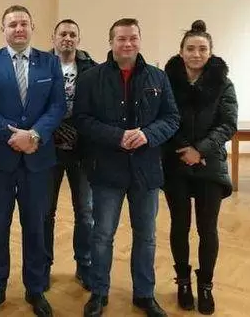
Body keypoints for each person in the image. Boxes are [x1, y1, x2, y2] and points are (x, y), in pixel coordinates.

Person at [74, 18, 180, 317]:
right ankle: (99, 292)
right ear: (111, 42)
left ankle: (144, 294)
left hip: (146, 171)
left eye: (133, 38)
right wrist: (117, 136)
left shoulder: (158, 78)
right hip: (106, 170)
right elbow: (81, 120)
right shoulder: (91, 78)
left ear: (139, 40)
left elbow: (172, 118)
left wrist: (147, 134)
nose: (128, 43)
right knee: (102, 235)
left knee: (146, 236)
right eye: (121, 39)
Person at [0, 6, 66, 317]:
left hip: (38, 160)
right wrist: (12, 135)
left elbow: (57, 105)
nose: (18, 29)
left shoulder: (50, 62)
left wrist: (35, 135)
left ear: (32, 27)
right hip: (0, 159)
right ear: (3, 29)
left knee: (36, 227)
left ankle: (35, 288)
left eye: (24, 23)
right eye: (12, 24)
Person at [162, 20, 236, 316]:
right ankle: (183, 281)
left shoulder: (224, 83)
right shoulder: (167, 81)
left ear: (210, 52)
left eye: (202, 49)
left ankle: (205, 285)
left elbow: (228, 124)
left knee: (207, 228)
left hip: (210, 164)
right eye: (190, 48)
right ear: (181, 52)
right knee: (179, 225)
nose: (196, 54)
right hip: (176, 161)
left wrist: (200, 150)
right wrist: (184, 149)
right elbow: (163, 118)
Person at [46, 19, 96, 290]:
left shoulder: (92, 69)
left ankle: (84, 264)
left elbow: (97, 107)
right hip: (49, 150)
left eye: (72, 34)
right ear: (53, 38)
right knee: (46, 212)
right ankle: (43, 265)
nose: (67, 38)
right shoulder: (41, 65)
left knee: (85, 212)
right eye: (62, 34)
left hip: (82, 151)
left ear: (78, 39)